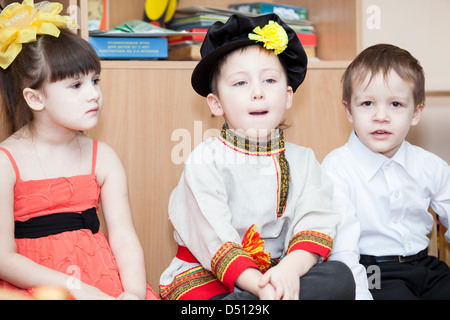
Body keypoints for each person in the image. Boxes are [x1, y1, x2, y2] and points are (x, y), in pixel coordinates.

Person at [159, 13, 355, 300]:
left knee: (340, 278)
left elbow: (315, 219)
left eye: (269, 80)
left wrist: (288, 271)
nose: (258, 92)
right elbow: (213, 234)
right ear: (216, 103)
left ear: (288, 96)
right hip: (208, 278)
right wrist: (260, 288)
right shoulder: (205, 160)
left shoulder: (304, 160)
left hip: (278, 274)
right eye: (240, 83)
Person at [0, 0, 158, 300]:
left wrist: (134, 293)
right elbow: (3, 257)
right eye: (76, 85)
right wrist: (74, 288)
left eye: (95, 80)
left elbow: (124, 238)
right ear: (35, 99)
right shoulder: (5, 162)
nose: (94, 94)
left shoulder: (104, 157)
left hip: (100, 279)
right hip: (32, 286)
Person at [322, 43, 450, 299]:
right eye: (368, 103)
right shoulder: (337, 167)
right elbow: (344, 252)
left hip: (425, 266)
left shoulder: (429, 165)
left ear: (416, 113)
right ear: (349, 111)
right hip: (372, 272)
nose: (381, 116)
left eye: (396, 104)